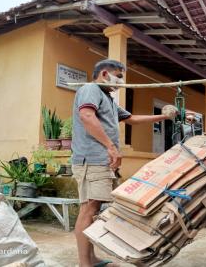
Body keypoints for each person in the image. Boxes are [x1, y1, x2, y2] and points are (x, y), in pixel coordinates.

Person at [72, 59, 178, 267]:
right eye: (118, 76)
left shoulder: (108, 99)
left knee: (92, 208)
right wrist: (111, 147)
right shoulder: (90, 88)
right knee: (89, 209)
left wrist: (163, 117)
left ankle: (91, 259)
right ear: (104, 74)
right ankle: (85, 264)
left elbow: (132, 119)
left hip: (100, 161)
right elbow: (86, 115)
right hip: (91, 159)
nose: (121, 81)